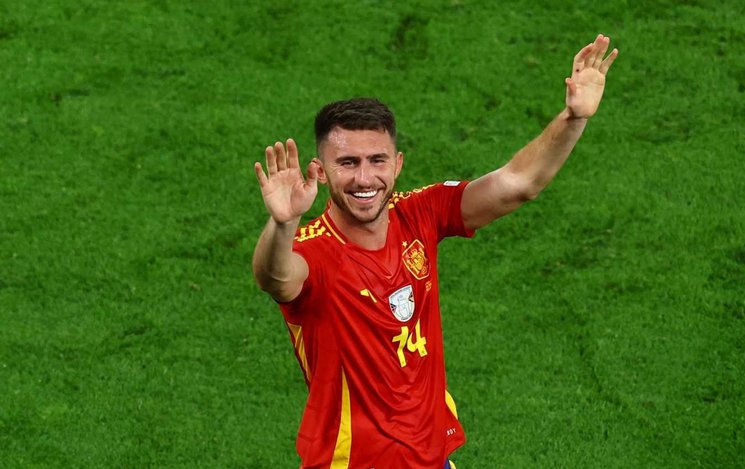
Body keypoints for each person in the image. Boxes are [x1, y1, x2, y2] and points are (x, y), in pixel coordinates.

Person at [252, 34, 618, 469]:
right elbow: (275, 277)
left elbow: (517, 184)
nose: (365, 178)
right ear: (321, 172)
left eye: (377, 160)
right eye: (347, 163)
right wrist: (283, 223)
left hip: (432, 458)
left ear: (398, 164)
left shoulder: (420, 212)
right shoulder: (312, 251)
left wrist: (573, 118)